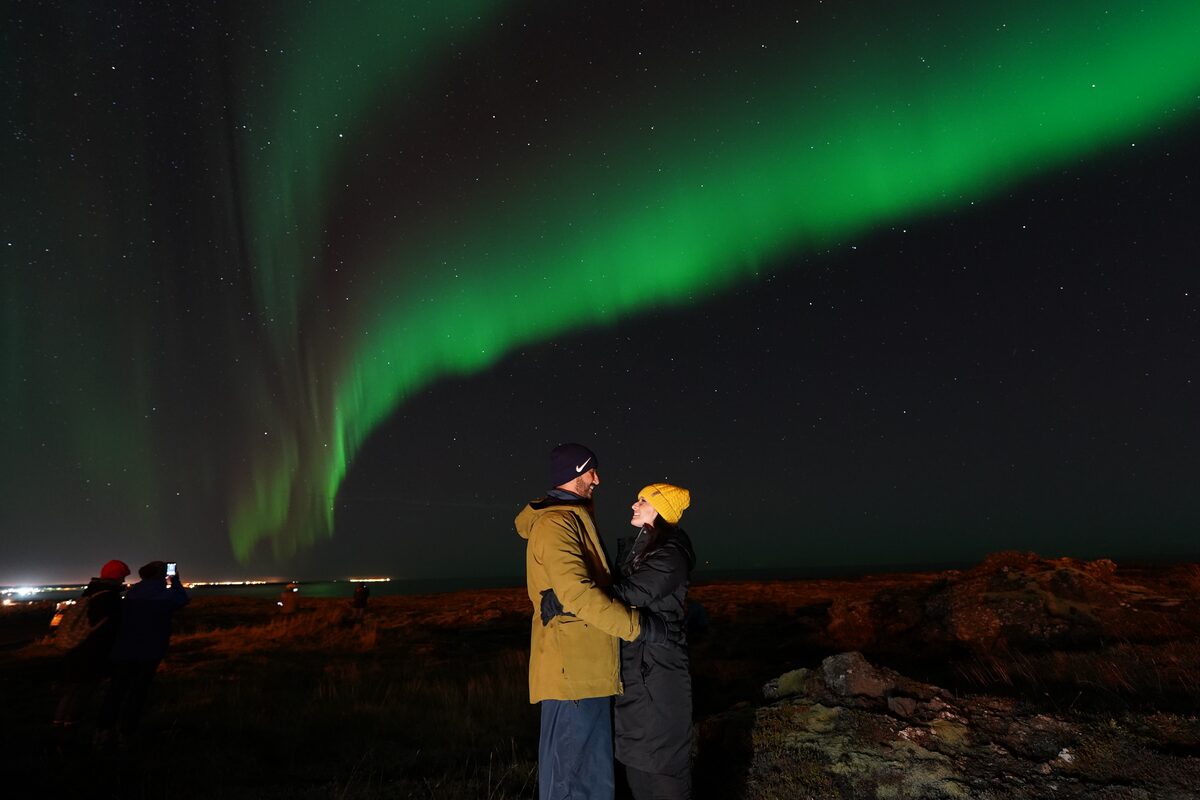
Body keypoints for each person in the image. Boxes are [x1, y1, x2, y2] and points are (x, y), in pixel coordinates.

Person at [515, 443, 668, 800]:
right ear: (572, 474)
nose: (597, 479)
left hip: (586, 670)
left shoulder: (573, 517)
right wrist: (640, 627)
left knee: (589, 779)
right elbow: (577, 594)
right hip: (574, 674)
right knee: (575, 782)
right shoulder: (557, 523)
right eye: (590, 472)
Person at [542, 483, 695, 799]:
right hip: (636, 674)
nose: (633, 505)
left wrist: (565, 599)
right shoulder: (643, 548)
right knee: (636, 769)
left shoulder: (670, 555)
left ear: (660, 510)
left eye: (642, 501)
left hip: (659, 676)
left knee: (663, 770)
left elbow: (630, 594)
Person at [97, 560, 189, 745]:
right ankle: (126, 733)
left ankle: (103, 731)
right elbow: (182, 600)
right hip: (148, 650)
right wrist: (174, 580)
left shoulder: (133, 591)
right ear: (161, 574)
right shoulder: (164, 593)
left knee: (116, 691)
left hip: (123, 649)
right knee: (137, 692)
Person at [52, 559, 129, 738]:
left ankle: (57, 730)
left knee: (70, 692)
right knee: (83, 693)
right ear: (117, 578)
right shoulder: (109, 599)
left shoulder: (90, 593)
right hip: (92, 654)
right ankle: (70, 733)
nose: (123, 581)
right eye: (122, 577)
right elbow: (109, 630)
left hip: (75, 649)